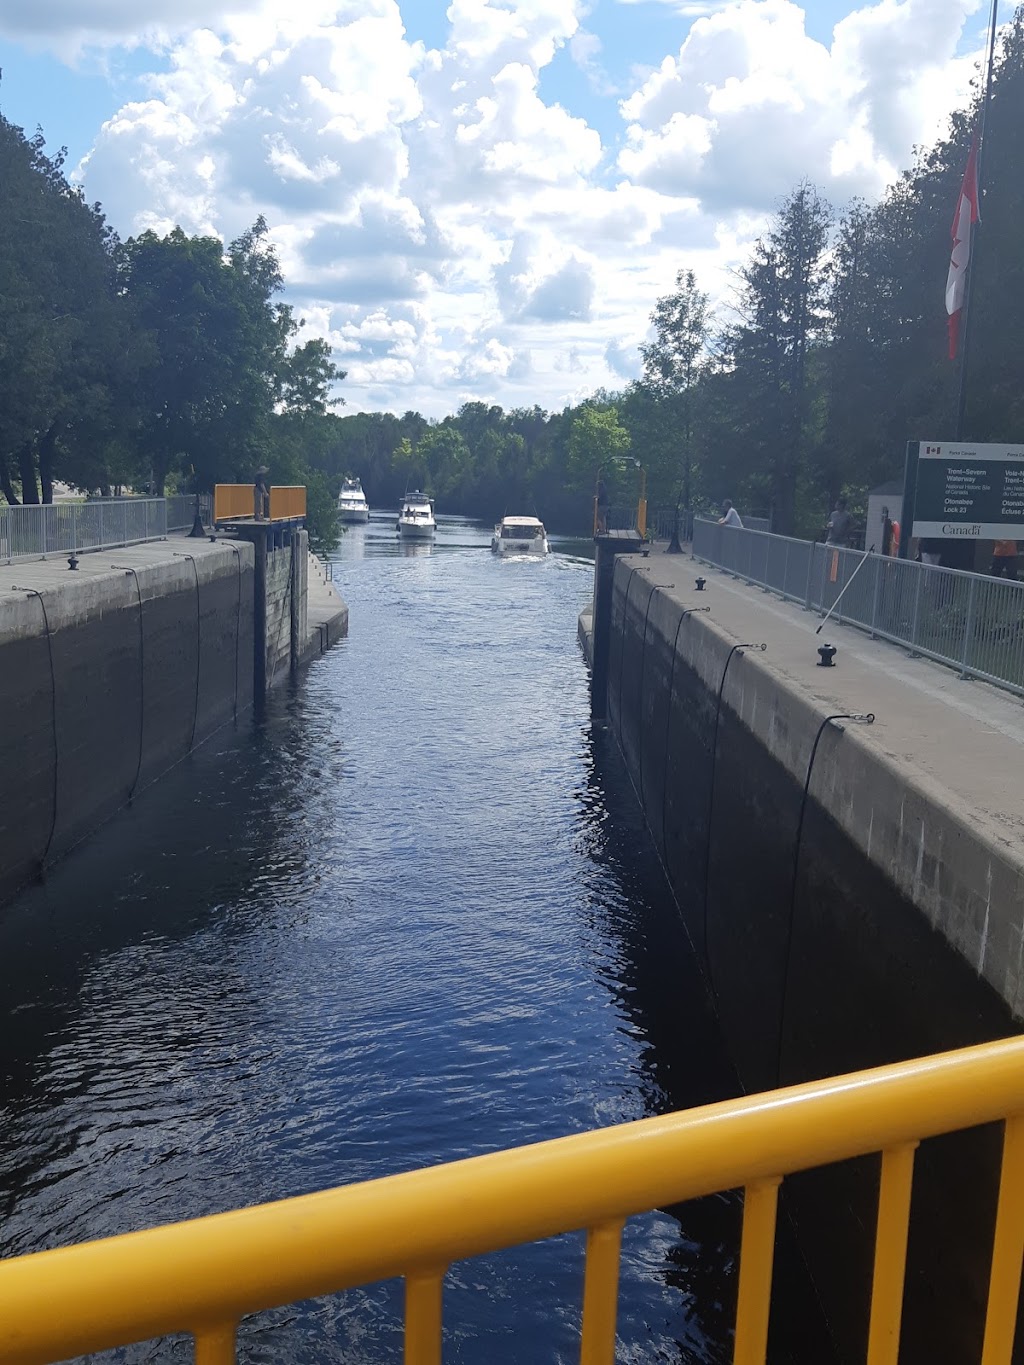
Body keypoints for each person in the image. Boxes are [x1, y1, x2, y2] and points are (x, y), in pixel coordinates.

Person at [595, 470, 609, 534]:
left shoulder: (601, 491)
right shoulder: (605, 490)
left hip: (602, 506)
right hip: (606, 506)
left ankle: (601, 530)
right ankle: (604, 529)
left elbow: (599, 497)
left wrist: (596, 497)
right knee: (603, 517)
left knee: (598, 517)